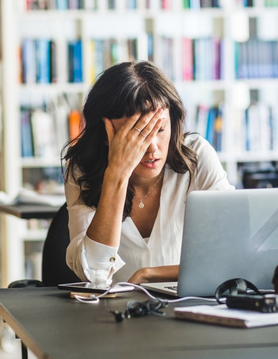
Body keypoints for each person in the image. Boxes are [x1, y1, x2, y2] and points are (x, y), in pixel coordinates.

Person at [63, 60, 233, 286]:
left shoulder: (197, 157)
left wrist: (149, 274)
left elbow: (231, 256)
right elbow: (94, 273)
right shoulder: (82, 169)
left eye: (160, 129)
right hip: (113, 314)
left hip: (183, 307)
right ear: (105, 135)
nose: (152, 147)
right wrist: (117, 175)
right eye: (137, 134)